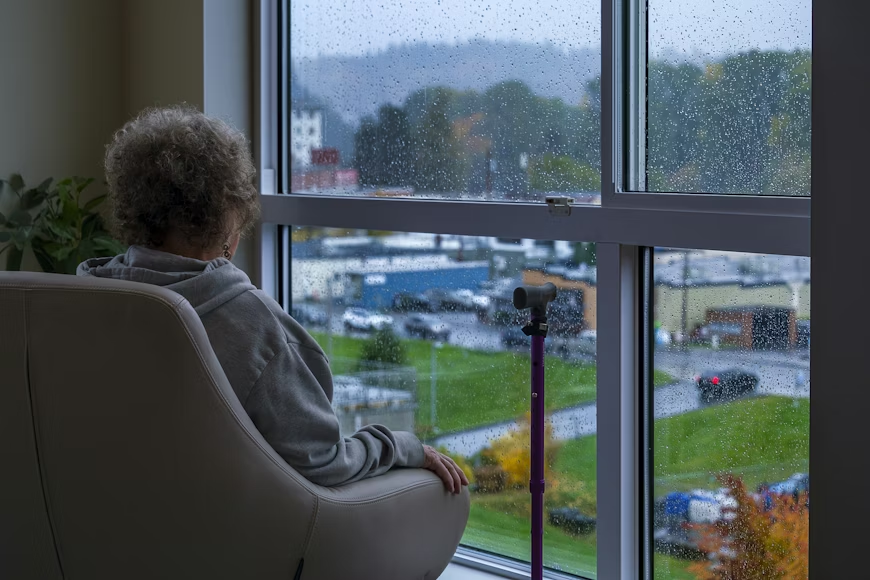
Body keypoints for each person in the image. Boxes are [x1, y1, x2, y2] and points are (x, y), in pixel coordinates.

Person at [77, 105, 467, 493]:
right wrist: (400, 446)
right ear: (230, 213)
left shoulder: (79, 298)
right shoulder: (247, 323)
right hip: (226, 532)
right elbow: (323, 462)